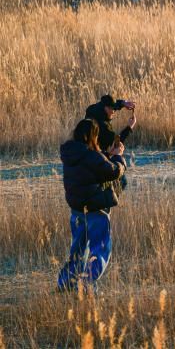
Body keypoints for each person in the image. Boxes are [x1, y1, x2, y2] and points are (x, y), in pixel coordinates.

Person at [57, 119, 127, 291]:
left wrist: (107, 155)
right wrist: (118, 156)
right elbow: (113, 172)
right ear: (91, 136)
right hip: (96, 210)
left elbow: (92, 168)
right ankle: (87, 285)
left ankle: (64, 283)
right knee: (100, 249)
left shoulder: (71, 154)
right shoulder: (91, 156)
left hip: (77, 211)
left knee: (77, 251)